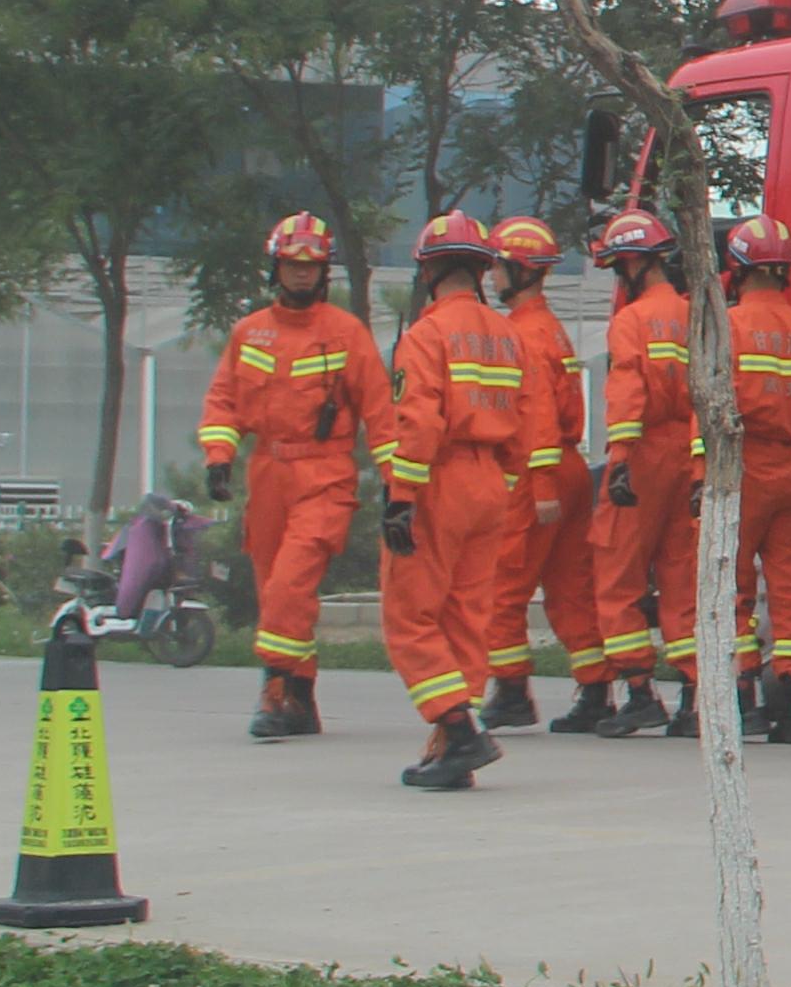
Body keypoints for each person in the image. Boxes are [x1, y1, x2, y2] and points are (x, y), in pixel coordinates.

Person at [195, 209, 385, 744]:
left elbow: (381, 413)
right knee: (274, 588)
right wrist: (218, 456)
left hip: (325, 474)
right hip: (268, 475)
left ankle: (275, 688)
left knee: (288, 584)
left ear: (324, 270)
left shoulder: (346, 334)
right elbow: (223, 401)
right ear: (275, 267)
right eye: (292, 264)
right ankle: (302, 696)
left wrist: (400, 486)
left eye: (312, 265)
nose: (302, 273)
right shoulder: (249, 332)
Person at [376, 209, 521, 790]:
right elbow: (526, 420)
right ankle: (453, 741)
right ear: (482, 271)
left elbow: (418, 421)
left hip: (439, 480)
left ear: (428, 271)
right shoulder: (506, 336)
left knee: (409, 614)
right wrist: (504, 486)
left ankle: (458, 729)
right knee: (468, 614)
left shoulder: (427, 335)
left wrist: (401, 497)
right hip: (491, 485)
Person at [485, 217, 623, 733]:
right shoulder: (549, 328)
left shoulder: (520, 335)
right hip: (567, 468)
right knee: (571, 587)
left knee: (503, 585)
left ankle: (511, 692)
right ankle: (596, 690)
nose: (492, 276)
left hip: (535, 471)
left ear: (518, 271)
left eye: (498, 267)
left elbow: (537, 413)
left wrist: (540, 486)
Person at [712, 218, 791, 739]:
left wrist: (704, 473)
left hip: (745, 465)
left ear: (737, 269)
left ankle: (743, 692)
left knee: (731, 581)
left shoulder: (728, 326)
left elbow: (712, 408)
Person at [586, 210, 695, 735]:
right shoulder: (696, 314)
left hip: (644, 455)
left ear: (632, 264)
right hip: (689, 455)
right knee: (683, 576)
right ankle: (696, 696)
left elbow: (628, 388)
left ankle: (638, 690)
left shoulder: (631, 321)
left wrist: (622, 458)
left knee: (617, 572)